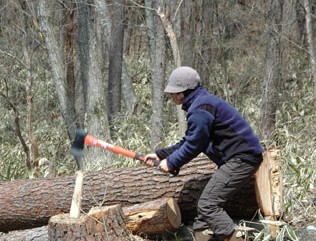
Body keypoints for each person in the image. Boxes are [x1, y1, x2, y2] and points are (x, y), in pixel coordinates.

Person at [144, 66, 263, 241]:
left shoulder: (200, 109)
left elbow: (194, 145)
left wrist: (171, 163)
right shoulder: (202, 103)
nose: (171, 96)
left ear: (182, 93)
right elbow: (190, 140)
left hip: (242, 159)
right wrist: (161, 154)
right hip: (237, 158)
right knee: (203, 208)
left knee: (208, 204)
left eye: (173, 93)